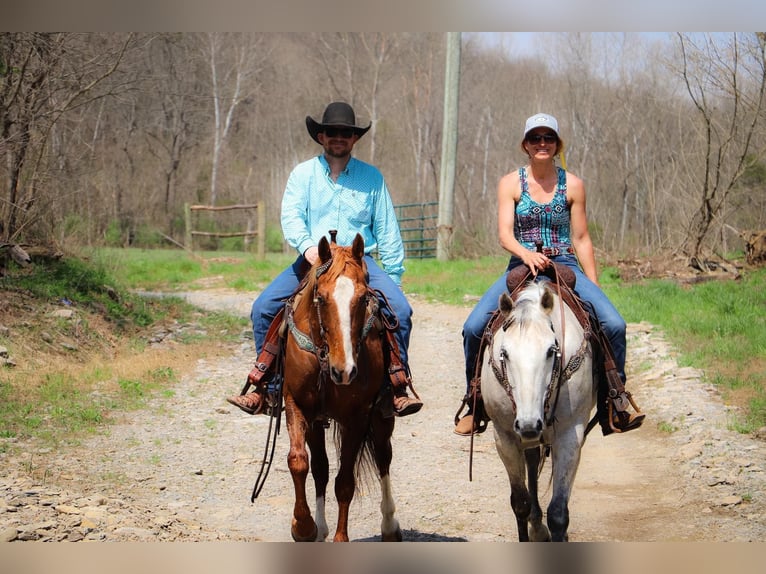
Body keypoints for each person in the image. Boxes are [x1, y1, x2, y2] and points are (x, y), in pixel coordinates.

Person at [227, 101, 422, 417]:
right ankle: (270, 389)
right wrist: (307, 248)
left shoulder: (372, 179)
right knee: (264, 308)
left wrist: (394, 280)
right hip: (314, 259)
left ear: (354, 139)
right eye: (332, 132)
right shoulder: (303, 174)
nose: (339, 138)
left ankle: (395, 388)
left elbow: (387, 228)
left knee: (400, 310)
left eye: (346, 133)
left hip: (359, 262)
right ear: (321, 136)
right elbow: (291, 216)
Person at [454, 112, 644, 436]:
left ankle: (616, 399)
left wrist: (594, 285)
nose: (542, 143)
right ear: (525, 145)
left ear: (557, 145)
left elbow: (582, 237)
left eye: (549, 138)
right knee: (473, 327)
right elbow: (504, 234)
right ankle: (475, 401)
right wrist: (526, 254)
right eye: (536, 138)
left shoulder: (574, 185)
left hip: (565, 264)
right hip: (520, 266)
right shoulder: (510, 183)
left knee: (614, 324)